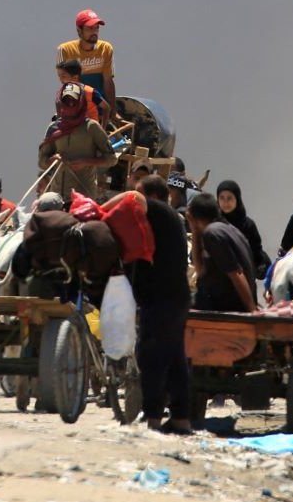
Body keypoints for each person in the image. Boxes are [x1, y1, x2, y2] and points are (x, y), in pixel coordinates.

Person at [130, 175, 192, 434]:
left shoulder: (159, 213)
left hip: (161, 300)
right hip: (175, 299)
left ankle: (153, 417)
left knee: (151, 357)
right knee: (176, 359)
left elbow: (131, 200)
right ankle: (180, 418)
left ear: (152, 197)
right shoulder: (171, 219)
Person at [38, 85, 116, 200]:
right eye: (66, 101)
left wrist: (86, 162)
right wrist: (52, 160)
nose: (70, 104)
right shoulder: (54, 128)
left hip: (83, 196)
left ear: (81, 102)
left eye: (73, 101)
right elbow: (42, 162)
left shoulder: (92, 127)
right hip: (57, 196)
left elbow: (112, 159)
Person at [186, 193, 258, 314]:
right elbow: (201, 271)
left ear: (193, 217)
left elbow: (236, 273)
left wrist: (252, 311)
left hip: (225, 307)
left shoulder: (213, 233)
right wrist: (195, 231)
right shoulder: (230, 229)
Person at [56, 10, 116, 116]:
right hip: (77, 103)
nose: (94, 32)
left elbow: (108, 81)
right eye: (89, 28)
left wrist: (112, 111)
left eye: (97, 28)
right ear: (79, 31)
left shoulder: (105, 48)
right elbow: (66, 82)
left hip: (101, 102)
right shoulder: (65, 49)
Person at [215, 180, 269, 279]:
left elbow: (256, 251)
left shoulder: (248, 225)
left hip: (244, 277)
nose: (225, 202)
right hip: (218, 279)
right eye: (222, 198)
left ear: (237, 199)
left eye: (229, 198)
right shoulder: (214, 224)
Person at [55, 58, 111, 125]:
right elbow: (59, 114)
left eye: (63, 76)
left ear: (75, 77)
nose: (60, 79)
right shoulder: (61, 93)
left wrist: (103, 128)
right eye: (59, 76)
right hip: (71, 129)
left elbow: (106, 107)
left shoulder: (89, 92)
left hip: (90, 128)